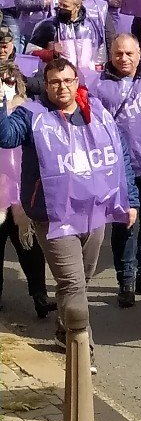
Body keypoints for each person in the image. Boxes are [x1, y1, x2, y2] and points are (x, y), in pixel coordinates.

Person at [0, 56, 137, 369]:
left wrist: (131, 200)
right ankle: (81, 348)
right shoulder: (31, 114)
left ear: (77, 83)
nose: (61, 87)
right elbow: (6, 137)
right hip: (53, 215)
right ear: (45, 86)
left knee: (80, 281)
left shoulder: (97, 113)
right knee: (73, 283)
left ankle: (64, 327)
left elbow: (120, 156)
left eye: (67, 81)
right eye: (54, 82)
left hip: (93, 211)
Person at [96, 35, 141, 307]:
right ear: (111, 55)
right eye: (118, 54)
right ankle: (125, 280)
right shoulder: (99, 87)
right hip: (121, 169)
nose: (124, 59)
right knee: (125, 225)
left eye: (129, 53)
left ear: (140, 53)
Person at [0, 65, 52, 319]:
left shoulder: (28, 112)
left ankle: (40, 295)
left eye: (10, 81)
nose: (6, 85)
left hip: (22, 190)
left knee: (30, 247)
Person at [28, 0, 105, 79]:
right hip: (60, 79)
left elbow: (100, 53)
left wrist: (98, 73)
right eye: (59, 4)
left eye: (65, 6)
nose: (60, 8)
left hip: (87, 80)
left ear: (77, 7)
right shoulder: (48, 26)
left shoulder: (91, 27)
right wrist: (52, 54)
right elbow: (30, 52)